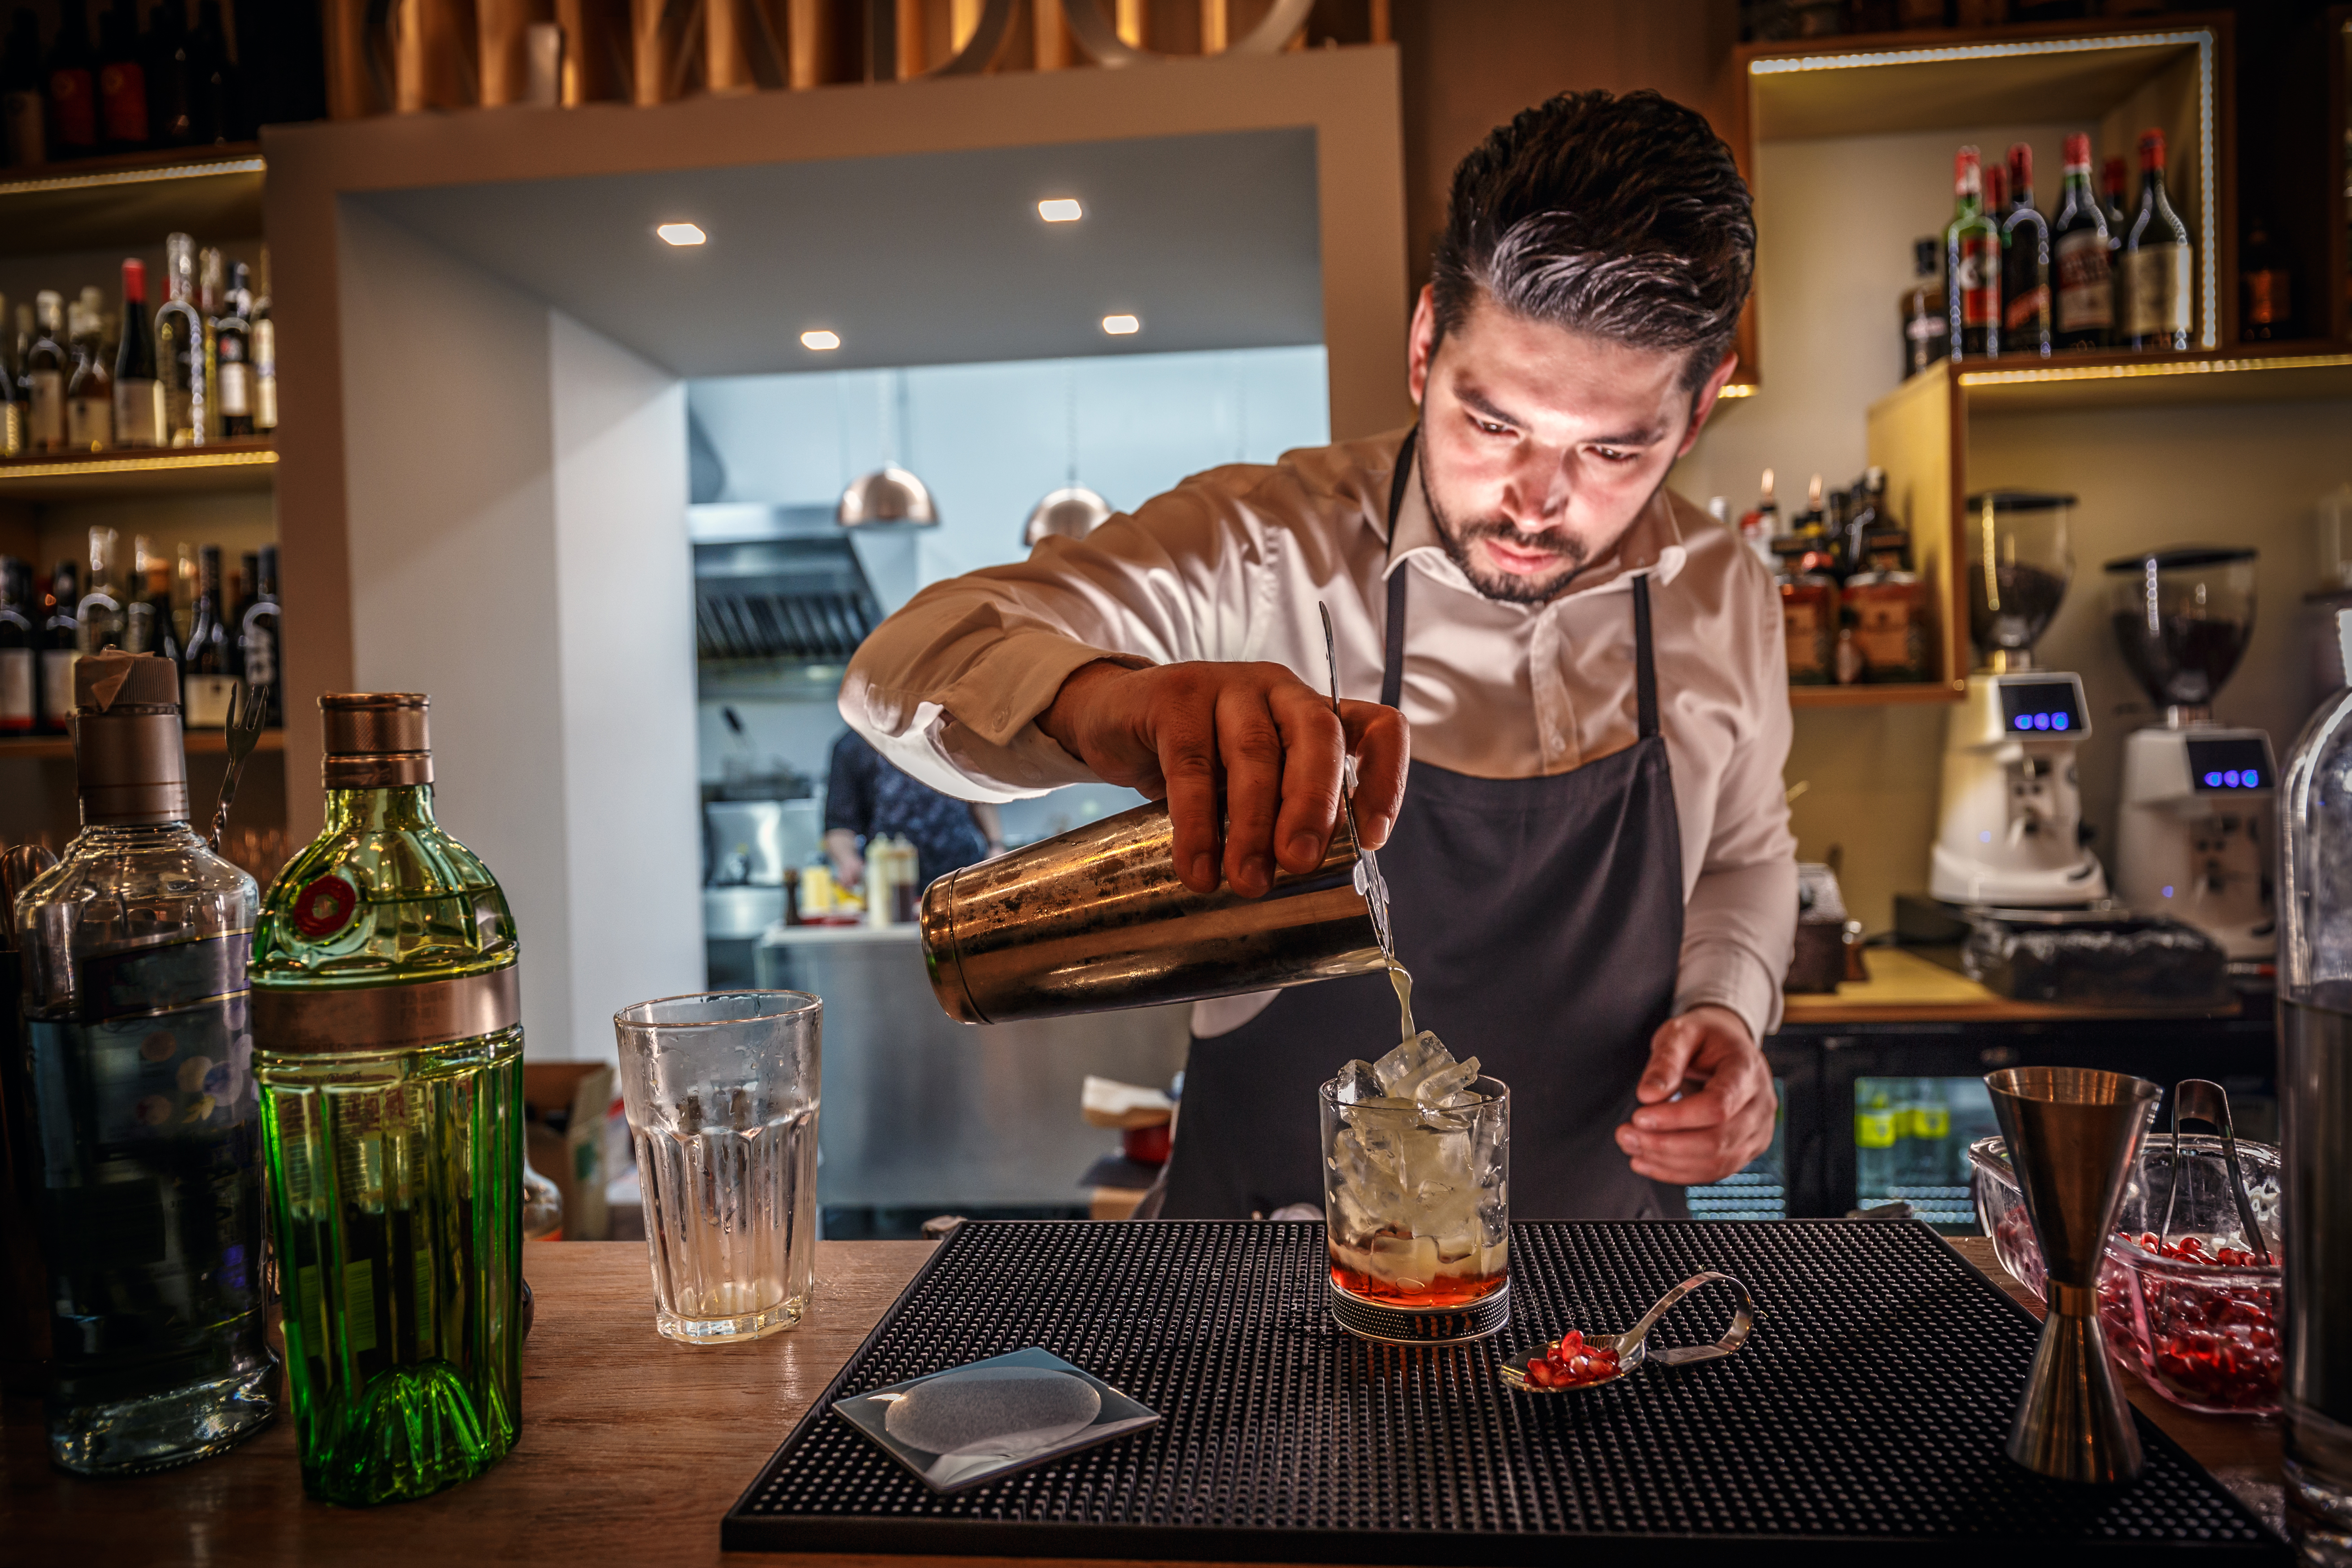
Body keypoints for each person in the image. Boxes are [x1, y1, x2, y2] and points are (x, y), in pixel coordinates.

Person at [841, 90, 1795, 1220]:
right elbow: (902, 666)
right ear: (1425, 342)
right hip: (1263, 1296)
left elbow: (1741, 853)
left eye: (1613, 448)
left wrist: (1730, 1010)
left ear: (1693, 418)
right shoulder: (1262, 545)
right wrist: (1112, 705)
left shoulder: (1725, 592)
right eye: (1492, 425)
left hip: (1606, 1305)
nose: (1537, 502)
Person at [823, 727, 1003, 895]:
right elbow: (839, 826)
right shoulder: (853, 746)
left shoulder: (949, 730)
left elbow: (980, 799)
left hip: (964, 876)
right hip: (893, 890)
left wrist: (995, 846)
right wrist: (849, 862)